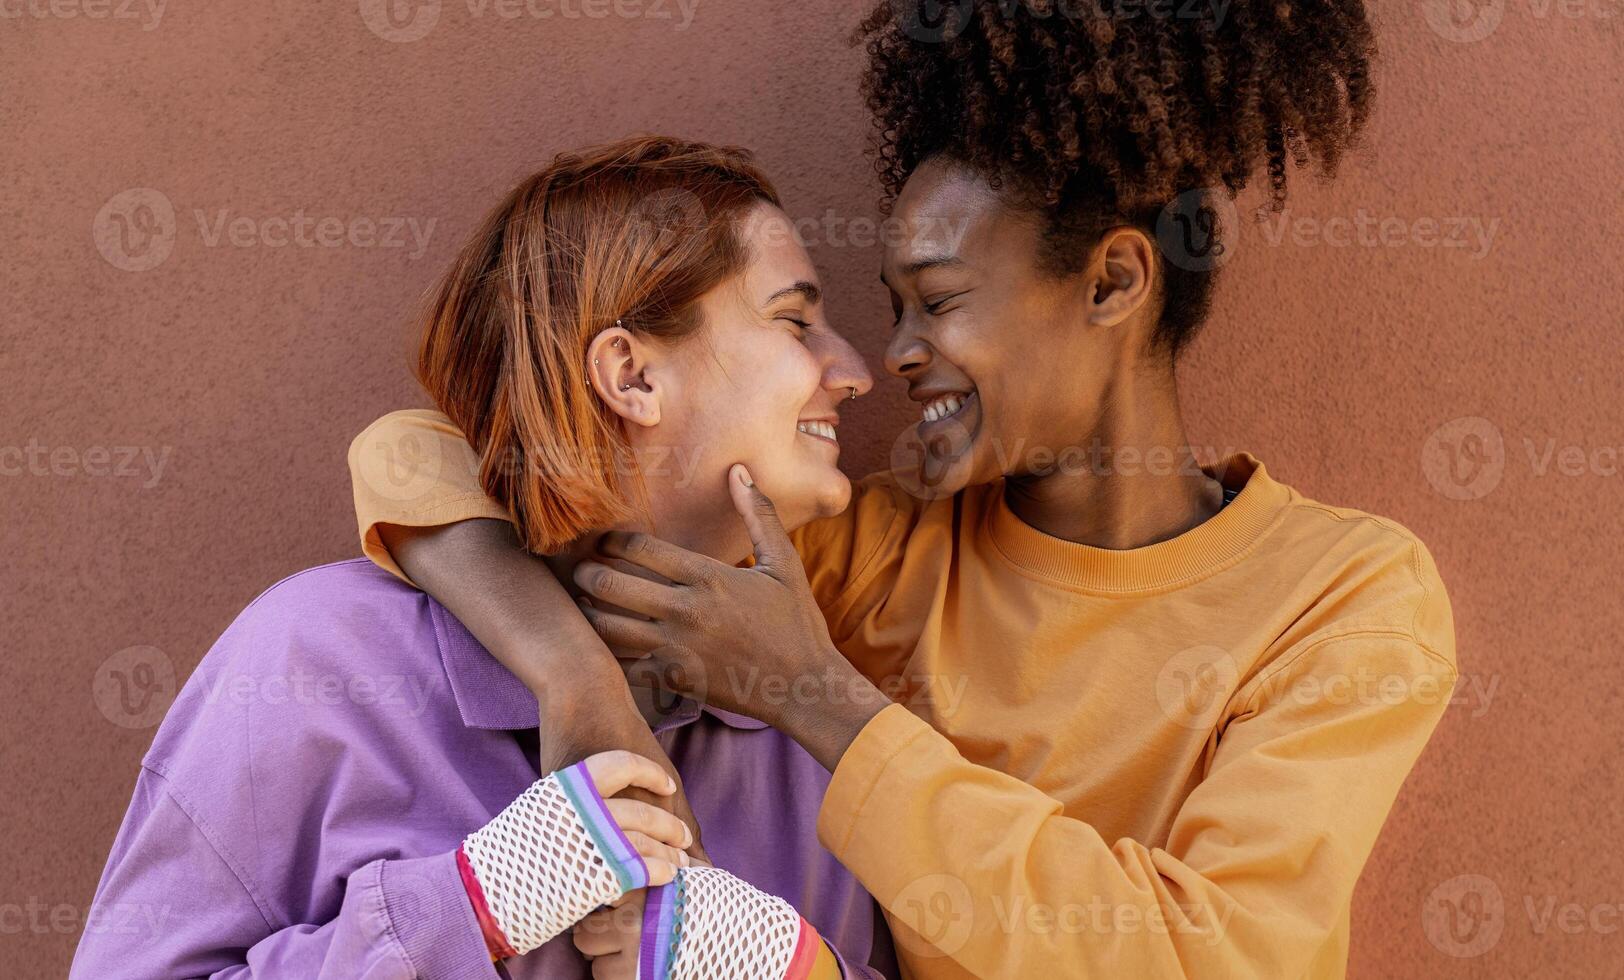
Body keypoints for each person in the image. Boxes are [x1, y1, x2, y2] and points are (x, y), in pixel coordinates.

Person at [345, 2, 1458, 978]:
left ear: (1113, 280)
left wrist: (817, 695)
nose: (891, 356)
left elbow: (1212, 955)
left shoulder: (1344, 596)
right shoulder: (867, 550)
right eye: (890, 305)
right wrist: (571, 668)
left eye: (939, 299)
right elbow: (434, 451)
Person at [74, 137, 895, 979]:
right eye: (795, 320)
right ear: (631, 375)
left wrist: (796, 969)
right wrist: (472, 903)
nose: (856, 371)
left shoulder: (811, 736)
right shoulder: (312, 664)